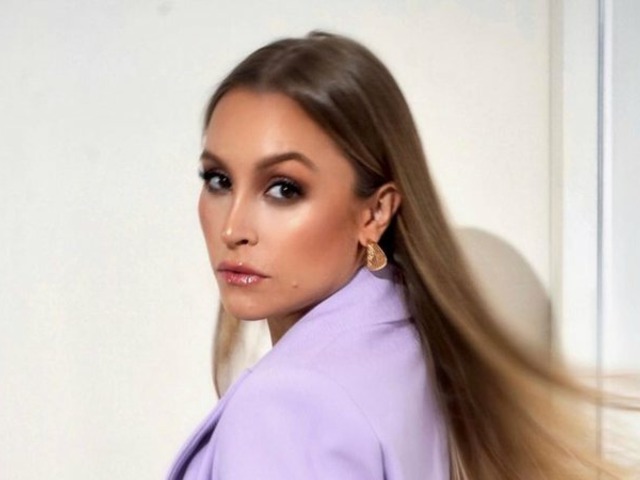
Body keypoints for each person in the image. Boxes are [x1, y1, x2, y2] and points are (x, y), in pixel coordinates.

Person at [167, 32, 635, 480]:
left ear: (375, 213)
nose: (232, 229)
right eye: (218, 180)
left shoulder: (285, 404)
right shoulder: (409, 345)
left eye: (284, 189)